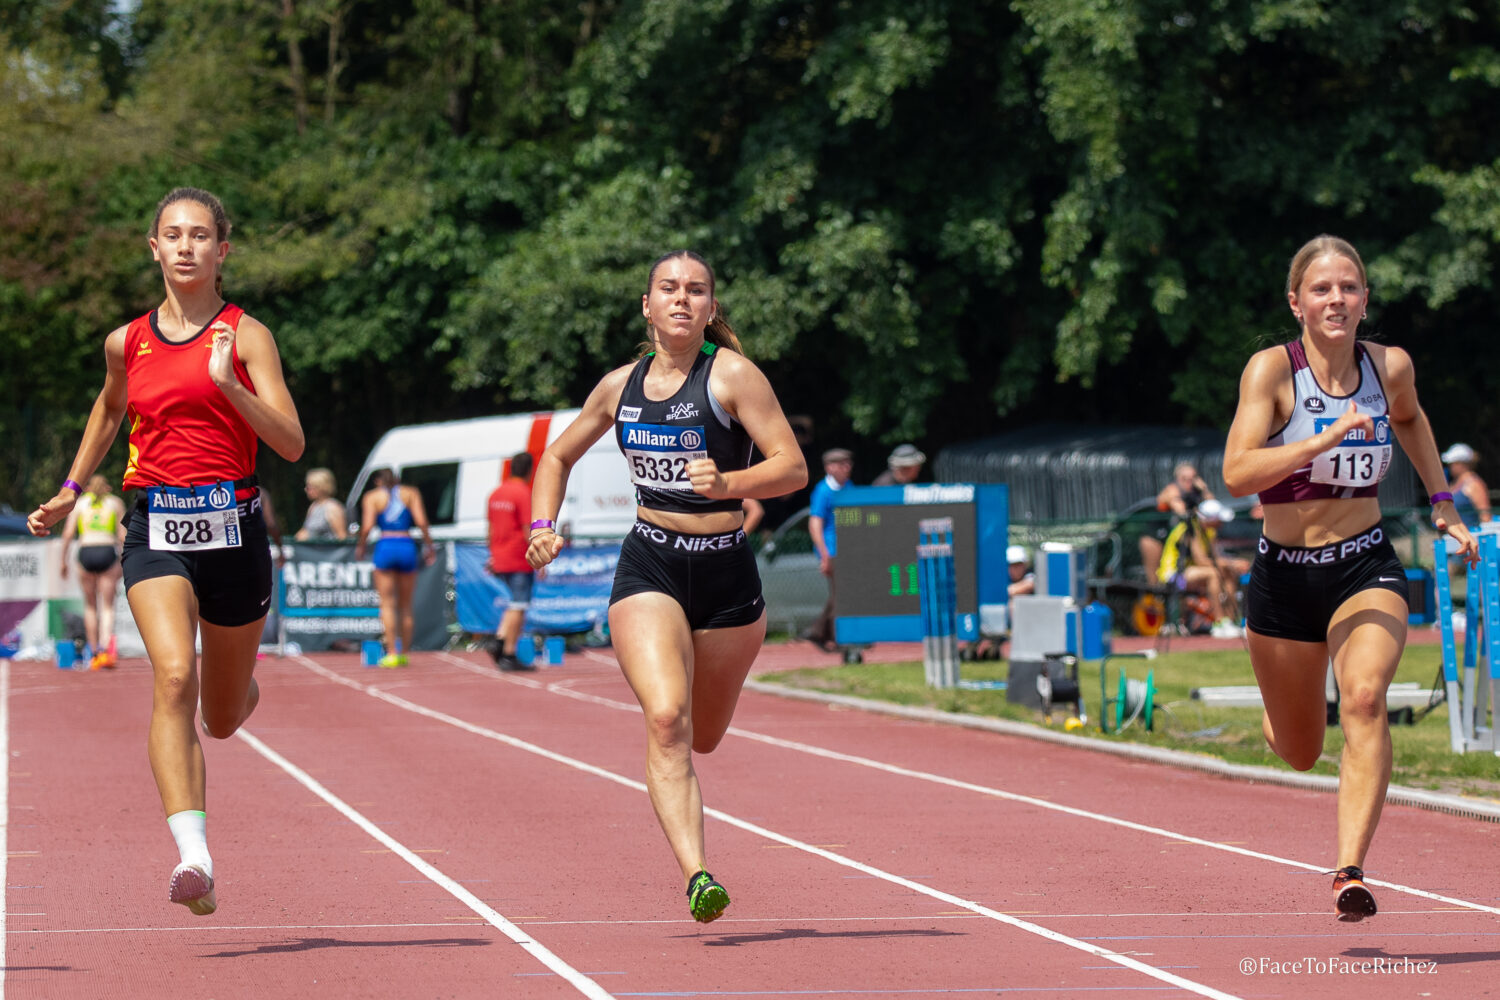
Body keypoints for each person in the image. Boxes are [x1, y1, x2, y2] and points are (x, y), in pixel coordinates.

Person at [26, 187, 305, 916]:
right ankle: (195, 857)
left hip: (235, 531)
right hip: (156, 527)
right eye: (173, 235)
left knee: (218, 714)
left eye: (200, 236)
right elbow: (111, 406)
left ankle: (239, 687)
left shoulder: (247, 336)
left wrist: (228, 388)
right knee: (174, 676)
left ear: (222, 251)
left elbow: (290, 441)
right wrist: (70, 487)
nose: (186, 246)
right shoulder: (128, 341)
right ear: (154, 248)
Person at [527, 250, 806, 923]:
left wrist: (730, 484)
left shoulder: (733, 377)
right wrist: (543, 523)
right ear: (646, 306)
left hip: (726, 571)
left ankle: (695, 795)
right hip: (649, 561)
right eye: (669, 289)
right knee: (665, 718)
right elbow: (558, 454)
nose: (682, 299)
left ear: (711, 310)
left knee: (703, 734)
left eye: (697, 290)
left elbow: (792, 467)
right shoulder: (618, 386)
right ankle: (698, 875)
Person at [1223, 234, 1477, 922]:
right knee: (1301, 749)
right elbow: (1237, 472)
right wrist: (1315, 441)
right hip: (1283, 578)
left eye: (1349, 287)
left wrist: (1444, 501)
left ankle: (1349, 871)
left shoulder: (1389, 366)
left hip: (1364, 564)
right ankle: (1280, 720)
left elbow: (1413, 418)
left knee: (1364, 698)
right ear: (1297, 302)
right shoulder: (1272, 373)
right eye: (1323, 289)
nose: (1337, 299)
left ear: (1365, 298)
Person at [355, 468, 435, 668]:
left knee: (388, 604)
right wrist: (429, 546)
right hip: (407, 545)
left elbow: (366, 527)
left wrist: (361, 546)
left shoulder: (373, 497)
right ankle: (404, 653)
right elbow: (422, 521)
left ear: (377, 481)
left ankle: (392, 652)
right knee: (406, 605)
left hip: (386, 545)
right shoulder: (411, 493)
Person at [58, 474, 128, 669]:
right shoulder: (115, 503)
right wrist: (126, 559)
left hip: (86, 551)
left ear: (88, 488)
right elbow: (123, 535)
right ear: (107, 488)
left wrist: (62, 561)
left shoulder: (80, 503)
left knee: (90, 606)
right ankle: (106, 650)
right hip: (107, 550)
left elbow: (68, 533)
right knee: (107, 606)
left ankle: (94, 651)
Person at [1156, 499, 1247, 638]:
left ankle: (1229, 621)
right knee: (1213, 574)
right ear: (1208, 519)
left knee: (1228, 573)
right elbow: (1202, 560)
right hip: (1173, 574)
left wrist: (1230, 566)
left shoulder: (1209, 531)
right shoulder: (1190, 529)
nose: (1221, 523)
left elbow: (1215, 558)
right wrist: (1233, 563)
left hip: (1192, 571)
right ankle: (1219, 623)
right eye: (1218, 520)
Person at [485, 451, 536, 671]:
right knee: (519, 604)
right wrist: (538, 558)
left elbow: (491, 527)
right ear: (529, 470)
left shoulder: (496, 493)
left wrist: (492, 554)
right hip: (518, 556)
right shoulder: (523, 493)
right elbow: (528, 528)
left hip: (500, 555)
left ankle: (499, 639)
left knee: (514, 602)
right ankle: (509, 653)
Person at [802, 448, 853, 652]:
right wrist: (824, 555)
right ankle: (835, 635)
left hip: (849, 548)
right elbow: (815, 523)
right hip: (832, 549)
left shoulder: (849, 487)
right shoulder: (823, 490)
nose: (846, 468)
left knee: (841, 594)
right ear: (829, 467)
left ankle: (818, 632)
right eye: (841, 464)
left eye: (848, 464)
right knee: (842, 594)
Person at [1139, 463, 1215, 582]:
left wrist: (1204, 489)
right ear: (1178, 479)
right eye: (1185, 479)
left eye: (1193, 478)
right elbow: (1181, 511)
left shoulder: (1196, 492)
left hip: (1176, 536)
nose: (1190, 482)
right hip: (1157, 534)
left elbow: (1213, 507)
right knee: (1154, 580)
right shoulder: (1172, 490)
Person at [1440, 443, 1491, 528]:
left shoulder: (1474, 484)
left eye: (1452, 464)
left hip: (1469, 536)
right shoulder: (1453, 483)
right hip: (1451, 538)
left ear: (1462, 464)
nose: (1450, 467)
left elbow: (1485, 516)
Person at [294, 467, 347, 541]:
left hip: (327, 551)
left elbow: (342, 537)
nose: (305, 489)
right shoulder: (313, 506)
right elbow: (305, 530)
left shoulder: (333, 508)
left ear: (321, 488)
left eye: (309, 487)